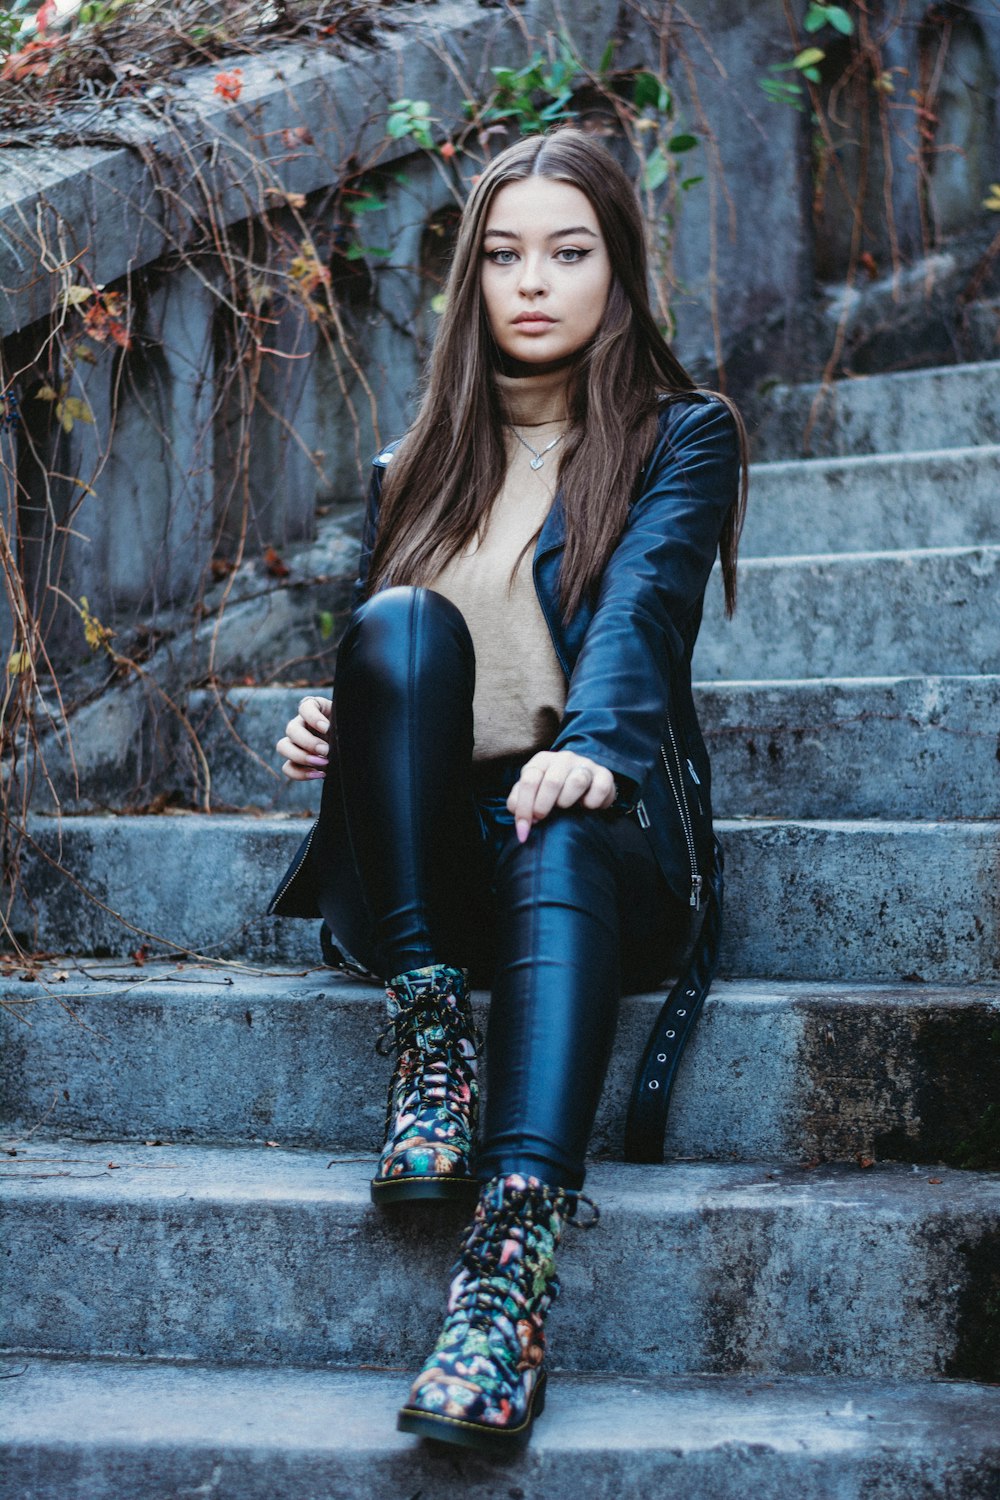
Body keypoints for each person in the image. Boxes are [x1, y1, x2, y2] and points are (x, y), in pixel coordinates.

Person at [271, 126, 747, 1454]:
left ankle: (508, 1263)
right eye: (504, 254)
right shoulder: (414, 461)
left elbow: (646, 602)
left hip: (577, 857)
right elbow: (389, 654)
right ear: (473, 282)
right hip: (415, 882)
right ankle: (435, 1043)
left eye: (570, 251)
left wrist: (593, 742)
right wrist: (334, 718)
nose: (533, 281)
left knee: (560, 821)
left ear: (621, 270)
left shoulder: (679, 439)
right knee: (401, 630)